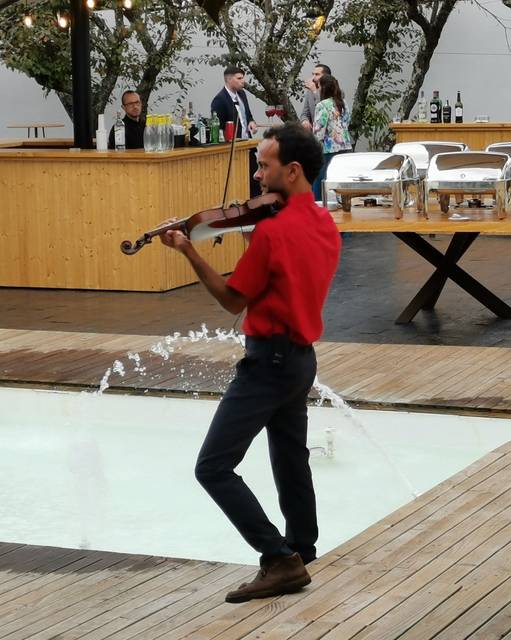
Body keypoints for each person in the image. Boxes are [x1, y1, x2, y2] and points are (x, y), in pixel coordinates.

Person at [159, 123, 341, 604]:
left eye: (264, 165)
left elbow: (231, 299)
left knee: (213, 467)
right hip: (302, 360)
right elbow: (282, 276)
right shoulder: (323, 222)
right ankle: (303, 547)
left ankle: (279, 561)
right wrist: (252, 236)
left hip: (268, 363)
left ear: (293, 170)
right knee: (290, 457)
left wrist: (188, 250)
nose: (258, 176)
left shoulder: (273, 232)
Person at [211, 66, 260, 196]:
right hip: (232, 152)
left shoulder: (242, 94)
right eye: (239, 78)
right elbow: (217, 128)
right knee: (239, 186)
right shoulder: (219, 100)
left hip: (247, 147)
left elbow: (248, 115)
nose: (243, 81)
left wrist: (251, 122)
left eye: (243, 78)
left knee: (255, 183)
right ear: (229, 79)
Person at [311, 74, 352, 201]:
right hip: (345, 146)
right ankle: (343, 203)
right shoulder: (343, 103)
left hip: (328, 148)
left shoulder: (322, 105)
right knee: (340, 178)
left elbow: (319, 130)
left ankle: (318, 204)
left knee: (320, 179)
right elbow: (347, 121)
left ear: (322, 88)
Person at [299, 64, 331, 130]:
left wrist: (315, 91)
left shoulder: (336, 92)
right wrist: (305, 121)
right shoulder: (310, 92)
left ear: (326, 77)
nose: (313, 78)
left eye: (317, 74)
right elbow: (305, 113)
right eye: (313, 74)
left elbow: (326, 112)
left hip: (330, 134)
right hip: (316, 134)